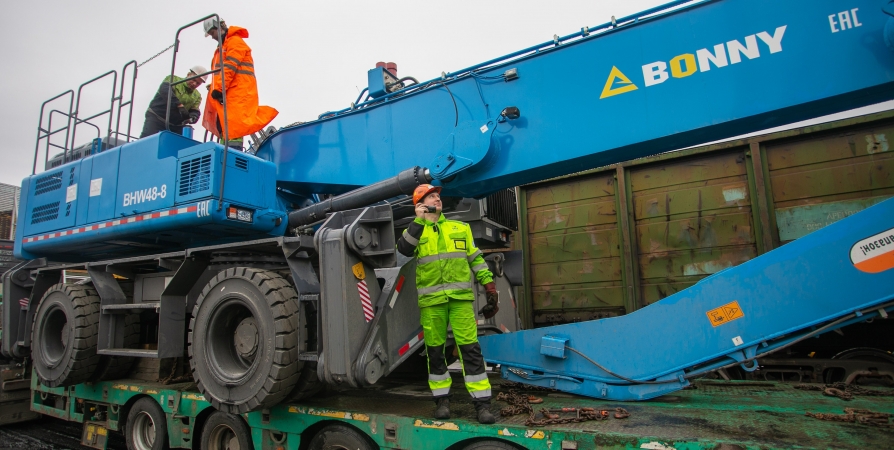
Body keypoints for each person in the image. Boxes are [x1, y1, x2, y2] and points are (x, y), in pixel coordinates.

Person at [397, 184, 500, 424]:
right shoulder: (415, 231)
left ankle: (482, 405)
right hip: (432, 303)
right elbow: (402, 253)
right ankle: (442, 401)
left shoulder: (459, 228)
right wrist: (419, 222)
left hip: (460, 301)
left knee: (470, 350)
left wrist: (490, 287)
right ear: (420, 204)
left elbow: (476, 260)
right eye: (431, 196)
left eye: (437, 195)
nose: (437, 199)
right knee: (435, 353)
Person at [201, 17, 278, 150]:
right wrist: (214, 86)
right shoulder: (224, 46)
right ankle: (224, 155)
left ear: (218, 27)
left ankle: (230, 156)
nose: (212, 37)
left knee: (234, 126)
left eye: (212, 33)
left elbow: (230, 67)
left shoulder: (234, 42)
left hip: (236, 94)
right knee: (226, 127)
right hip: (230, 92)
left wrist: (218, 88)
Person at [139, 66, 207, 138]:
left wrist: (193, 116)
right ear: (188, 74)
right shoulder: (173, 79)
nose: (194, 84)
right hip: (156, 117)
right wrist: (179, 105)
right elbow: (165, 90)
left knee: (178, 145)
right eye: (193, 80)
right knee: (146, 140)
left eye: (198, 83)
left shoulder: (197, 96)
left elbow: (195, 110)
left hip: (175, 125)